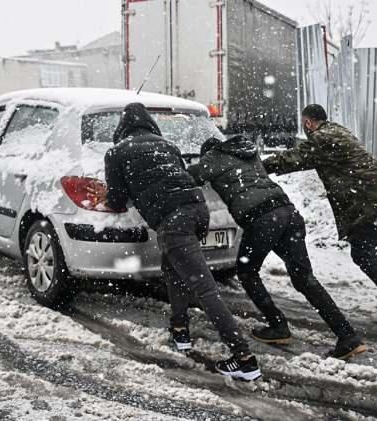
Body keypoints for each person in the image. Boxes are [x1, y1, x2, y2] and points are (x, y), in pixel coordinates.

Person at [90, 103, 261, 381]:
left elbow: (118, 199)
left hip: (173, 222)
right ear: (150, 124)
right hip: (198, 211)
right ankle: (180, 332)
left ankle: (245, 359)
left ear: (122, 127)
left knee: (205, 289)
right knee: (172, 272)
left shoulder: (117, 152)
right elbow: (177, 177)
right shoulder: (167, 145)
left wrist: (107, 195)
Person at [189, 135, 366, 359]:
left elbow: (186, 178)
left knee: (246, 272)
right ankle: (348, 336)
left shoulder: (213, 158)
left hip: (262, 219)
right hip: (289, 213)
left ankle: (278, 325)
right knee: (305, 279)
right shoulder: (247, 154)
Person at [264, 104, 377, 323]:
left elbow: (291, 159)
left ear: (307, 123)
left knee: (362, 252)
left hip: (376, 202)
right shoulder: (339, 131)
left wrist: (257, 166)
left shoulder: (322, 139)